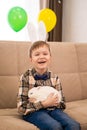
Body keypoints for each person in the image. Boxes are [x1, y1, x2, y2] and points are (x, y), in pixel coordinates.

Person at [17, 41, 81, 130]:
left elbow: (62, 104)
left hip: (53, 109)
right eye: (37, 54)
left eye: (45, 54)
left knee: (74, 126)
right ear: (31, 59)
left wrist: (52, 102)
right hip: (34, 112)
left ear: (50, 58)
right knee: (54, 127)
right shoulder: (25, 77)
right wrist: (43, 103)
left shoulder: (55, 78)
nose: (41, 56)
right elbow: (21, 108)